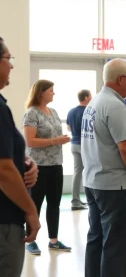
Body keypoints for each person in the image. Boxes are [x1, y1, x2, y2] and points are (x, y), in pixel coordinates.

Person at [81, 58, 126, 277]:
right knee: (116, 245)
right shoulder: (115, 105)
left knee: (96, 239)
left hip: (93, 182)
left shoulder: (94, 102)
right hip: (114, 187)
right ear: (120, 79)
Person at [0, 36, 40, 276]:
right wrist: (31, 210)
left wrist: (25, 162)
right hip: (4, 221)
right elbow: (3, 171)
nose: (12, 65)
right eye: (8, 58)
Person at [22, 80, 71, 255]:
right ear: (41, 92)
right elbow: (30, 141)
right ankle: (30, 240)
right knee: (34, 204)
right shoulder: (31, 114)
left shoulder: (53, 112)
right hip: (38, 167)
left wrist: (61, 139)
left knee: (54, 204)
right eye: (51, 90)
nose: (54, 93)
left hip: (56, 165)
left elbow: (55, 135)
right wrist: (54, 141)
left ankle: (53, 240)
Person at [67, 89, 92, 210]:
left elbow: (68, 128)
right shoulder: (88, 111)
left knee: (77, 173)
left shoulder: (71, 111)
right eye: (90, 96)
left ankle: (75, 201)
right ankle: (90, 200)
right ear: (86, 97)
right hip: (85, 145)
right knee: (89, 172)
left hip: (74, 144)